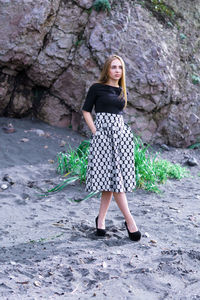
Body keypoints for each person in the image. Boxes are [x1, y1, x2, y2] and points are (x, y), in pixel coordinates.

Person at [82, 55, 141, 242]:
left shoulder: (122, 90)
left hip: (121, 137)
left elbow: (119, 115)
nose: (117, 70)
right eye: (114, 67)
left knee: (112, 180)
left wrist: (123, 133)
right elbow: (86, 110)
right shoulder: (96, 88)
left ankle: (101, 220)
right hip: (103, 136)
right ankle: (130, 221)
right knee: (115, 179)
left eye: (120, 68)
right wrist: (95, 131)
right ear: (107, 69)